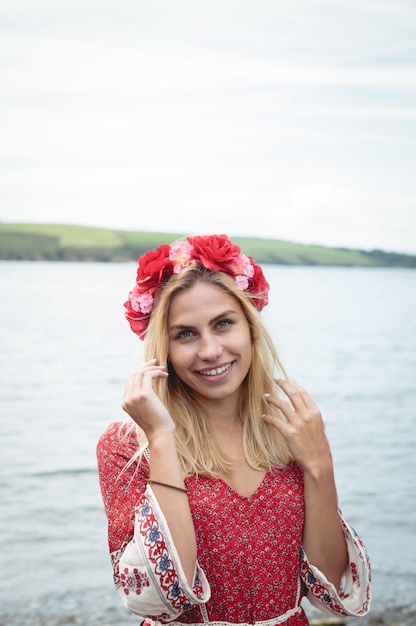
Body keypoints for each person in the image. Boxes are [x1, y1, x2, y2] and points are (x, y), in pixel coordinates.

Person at [97, 234, 372, 626]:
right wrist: (161, 438)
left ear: (251, 328)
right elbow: (166, 595)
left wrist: (318, 465)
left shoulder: (289, 429)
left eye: (223, 323)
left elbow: (331, 592)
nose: (210, 351)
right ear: (165, 349)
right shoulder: (128, 446)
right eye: (185, 334)